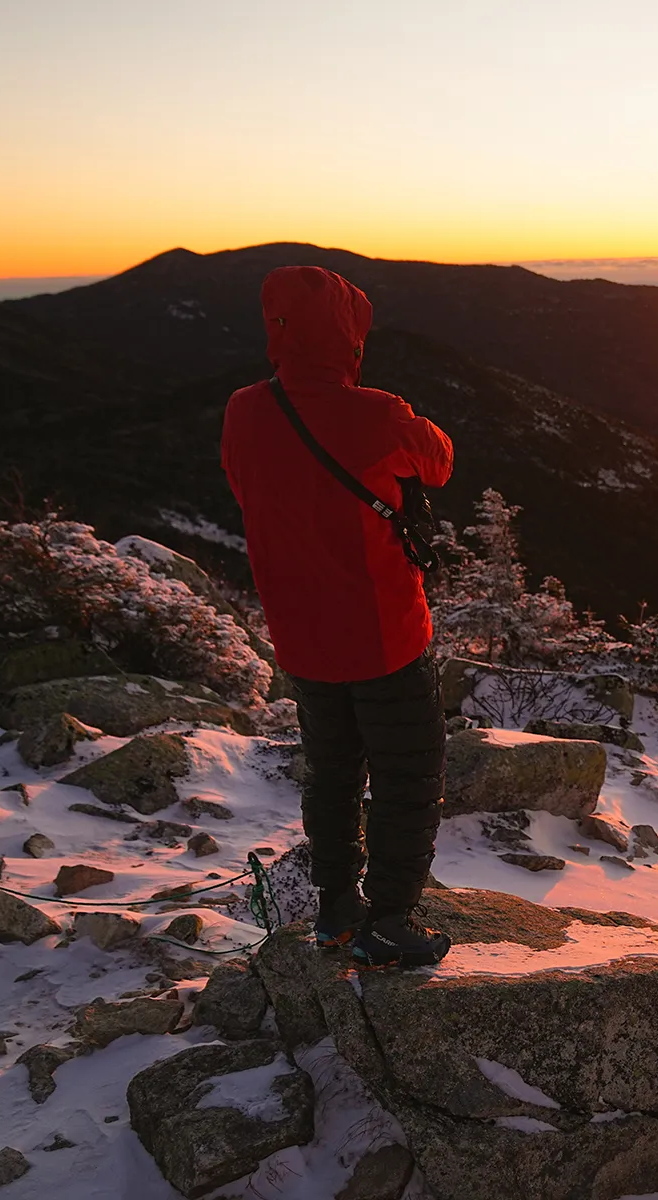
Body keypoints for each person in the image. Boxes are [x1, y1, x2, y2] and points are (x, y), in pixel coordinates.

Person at [221, 265, 454, 968]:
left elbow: (246, 487)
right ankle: (387, 918)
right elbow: (438, 461)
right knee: (408, 773)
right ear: (349, 337)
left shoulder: (244, 410)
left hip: (299, 634)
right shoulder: (378, 414)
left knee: (332, 774)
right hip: (384, 634)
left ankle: (335, 911)